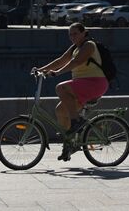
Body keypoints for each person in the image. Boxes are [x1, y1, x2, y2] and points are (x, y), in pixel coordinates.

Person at [34, 22, 108, 160]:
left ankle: (77, 121)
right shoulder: (75, 47)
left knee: (60, 87)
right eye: (70, 34)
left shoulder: (89, 45)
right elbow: (61, 60)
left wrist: (57, 73)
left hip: (95, 82)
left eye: (75, 34)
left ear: (84, 33)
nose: (72, 37)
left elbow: (76, 62)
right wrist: (41, 70)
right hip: (82, 85)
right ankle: (70, 144)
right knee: (60, 111)